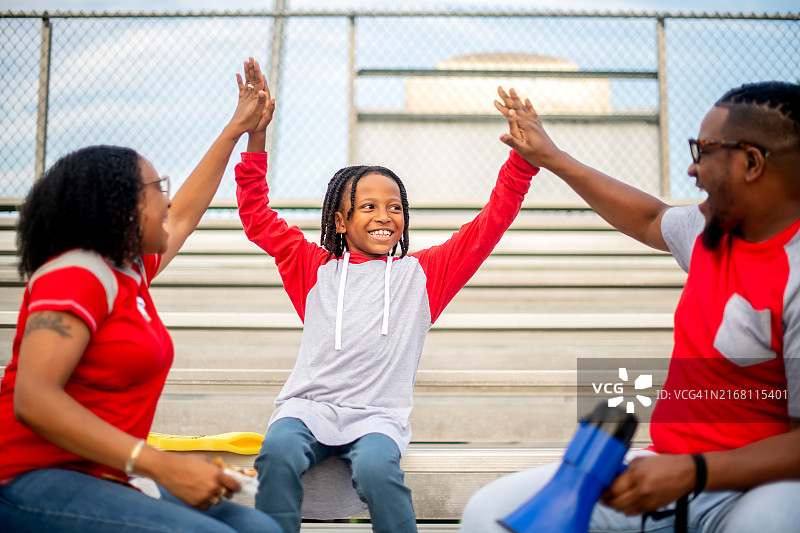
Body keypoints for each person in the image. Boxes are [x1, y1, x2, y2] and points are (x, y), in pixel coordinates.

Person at [460, 83, 800, 532]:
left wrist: (695, 471)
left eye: (704, 151)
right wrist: (552, 157)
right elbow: (648, 218)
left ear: (752, 163)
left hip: (756, 487)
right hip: (670, 470)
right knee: (488, 516)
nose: (692, 168)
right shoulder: (708, 229)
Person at [233, 87, 539, 533]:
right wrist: (256, 138)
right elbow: (257, 215)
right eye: (369, 206)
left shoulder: (425, 274)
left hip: (378, 417)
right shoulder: (312, 267)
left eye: (395, 207)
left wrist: (522, 163)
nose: (385, 216)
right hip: (308, 409)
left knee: (379, 471)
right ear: (340, 221)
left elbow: (491, 221)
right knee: (277, 453)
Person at [0, 58, 282, 533]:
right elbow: (33, 400)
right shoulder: (75, 274)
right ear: (121, 206)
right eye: (157, 189)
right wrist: (160, 464)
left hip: (104, 475)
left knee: (260, 529)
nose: (168, 201)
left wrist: (236, 130)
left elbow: (187, 214)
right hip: (27, 479)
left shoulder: (127, 272)